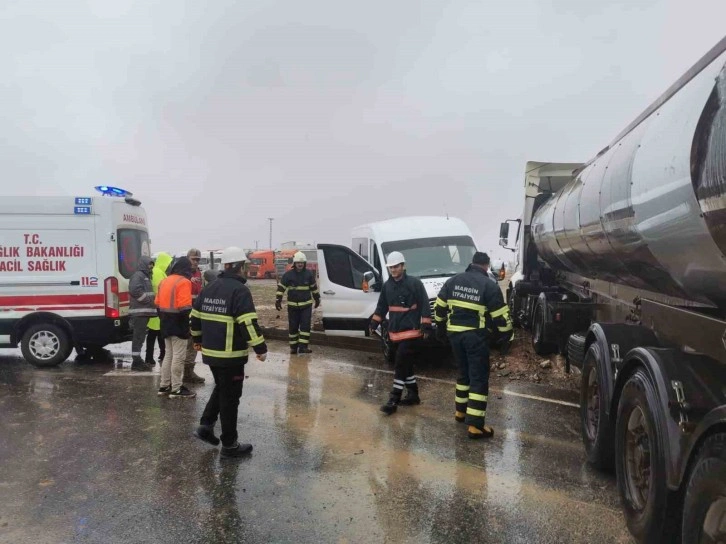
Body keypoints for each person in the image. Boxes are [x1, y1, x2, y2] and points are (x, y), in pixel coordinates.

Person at [190, 246, 268, 458]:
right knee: (230, 398)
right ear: (240, 267)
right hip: (231, 356)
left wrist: (197, 340)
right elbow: (248, 323)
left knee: (222, 389)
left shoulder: (210, 288)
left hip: (211, 354)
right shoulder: (240, 291)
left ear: (226, 266)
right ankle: (230, 445)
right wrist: (260, 348)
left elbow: (194, 317)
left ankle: (205, 426)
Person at [434, 252, 513, 439]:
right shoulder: (489, 285)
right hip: (475, 337)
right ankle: (475, 426)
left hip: (455, 336)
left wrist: (440, 327)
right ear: (486, 266)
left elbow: (439, 307)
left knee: (463, 374)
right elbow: (501, 316)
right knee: (478, 378)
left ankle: (461, 413)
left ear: (471, 264)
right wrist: (506, 336)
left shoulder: (453, 281)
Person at [369, 251, 432, 415]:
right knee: (406, 366)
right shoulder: (387, 286)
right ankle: (413, 394)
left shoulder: (415, 284)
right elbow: (382, 307)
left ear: (403, 266)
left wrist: (426, 326)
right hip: (395, 334)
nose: (393, 270)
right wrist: (373, 323)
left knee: (400, 364)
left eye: (396, 266)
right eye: (391, 267)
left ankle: (393, 399)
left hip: (412, 333)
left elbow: (425, 304)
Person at [156, 257, 196, 399]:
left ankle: (164, 385)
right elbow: (185, 308)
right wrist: (188, 325)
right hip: (179, 322)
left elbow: (157, 304)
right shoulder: (184, 282)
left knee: (168, 355)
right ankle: (177, 389)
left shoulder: (164, 281)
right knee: (178, 357)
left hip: (165, 321)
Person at [275, 251, 320, 355]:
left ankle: (303, 347)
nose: (300, 264)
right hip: (292, 307)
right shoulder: (288, 275)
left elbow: (314, 288)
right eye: (298, 263)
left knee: (305, 327)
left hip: (306, 306)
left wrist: (317, 299)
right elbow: (281, 288)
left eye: (302, 262)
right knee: (293, 327)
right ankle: (293, 348)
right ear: (294, 263)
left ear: (305, 263)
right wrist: (278, 299)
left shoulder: (309, 274)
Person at [128, 255, 156, 371]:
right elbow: (134, 290)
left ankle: (137, 359)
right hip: (140, 312)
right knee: (138, 336)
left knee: (140, 336)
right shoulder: (139, 276)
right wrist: (147, 300)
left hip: (143, 312)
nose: (151, 266)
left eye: (152, 264)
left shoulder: (145, 276)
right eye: (149, 264)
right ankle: (136, 361)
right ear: (144, 264)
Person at [146, 252, 173, 366]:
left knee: (158, 334)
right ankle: (152, 357)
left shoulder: (158, 271)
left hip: (157, 307)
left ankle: (160, 355)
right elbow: (160, 289)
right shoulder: (158, 272)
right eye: (168, 263)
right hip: (157, 307)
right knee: (155, 334)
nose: (169, 266)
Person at [183, 248, 206, 384]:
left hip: (196, 311)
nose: (196, 262)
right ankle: (182, 373)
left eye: (198, 260)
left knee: (193, 342)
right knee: (185, 344)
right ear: (187, 259)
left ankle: (188, 372)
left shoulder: (198, 273)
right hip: (184, 312)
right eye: (193, 259)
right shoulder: (182, 274)